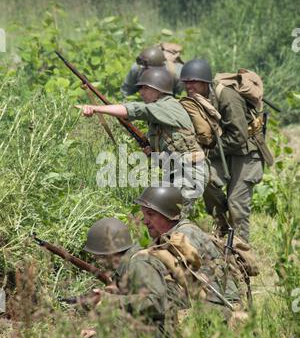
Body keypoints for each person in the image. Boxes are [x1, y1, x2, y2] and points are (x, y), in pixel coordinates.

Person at [76, 67, 208, 211]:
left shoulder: (168, 106)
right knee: (160, 215)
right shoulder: (158, 114)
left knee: (174, 216)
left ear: (159, 89)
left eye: (145, 88)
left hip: (189, 173)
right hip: (175, 173)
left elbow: (136, 109)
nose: (141, 92)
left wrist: (96, 109)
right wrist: (152, 151)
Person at [180, 59, 264, 243]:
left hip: (246, 152)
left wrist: (208, 153)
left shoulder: (227, 97)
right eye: (185, 82)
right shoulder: (195, 99)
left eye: (193, 82)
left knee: (237, 204)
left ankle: (241, 251)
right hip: (224, 149)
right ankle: (222, 228)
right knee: (204, 176)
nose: (188, 86)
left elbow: (238, 136)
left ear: (205, 82)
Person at [134, 186, 247, 321]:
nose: (145, 221)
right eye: (144, 215)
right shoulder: (170, 235)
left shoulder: (185, 235)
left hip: (223, 309)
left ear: (168, 213)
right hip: (209, 306)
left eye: (151, 214)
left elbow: (176, 271)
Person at [79, 217, 188, 338]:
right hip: (163, 328)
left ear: (108, 253)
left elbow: (156, 302)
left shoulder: (138, 263)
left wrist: (111, 300)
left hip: (172, 333)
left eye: (97, 255)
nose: (96, 259)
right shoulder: (129, 262)